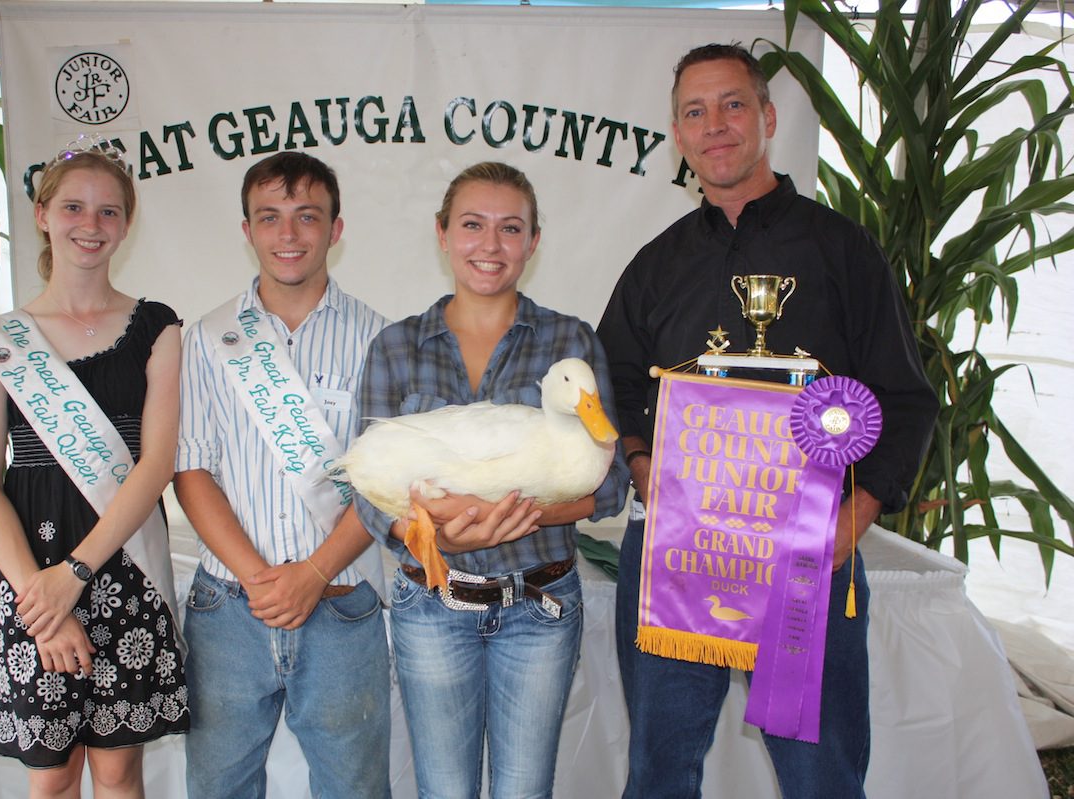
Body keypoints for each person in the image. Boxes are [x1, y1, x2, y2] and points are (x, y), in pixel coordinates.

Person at [597, 44, 939, 799]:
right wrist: (644, 467)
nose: (715, 125)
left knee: (821, 779)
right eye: (695, 112)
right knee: (658, 775)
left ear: (768, 117)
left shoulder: (843, 251)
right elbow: (609, 381)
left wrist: (852, 521)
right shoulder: (656, 264)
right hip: (678, 553)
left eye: (732, 104)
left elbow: (905, 396)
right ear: (679, 135)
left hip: (806, 557)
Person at [354, 161, 629, 799]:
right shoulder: (396, 347)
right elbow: (366, 488)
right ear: (443, 234)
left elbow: (611, 483)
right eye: (473, 225)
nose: (491, 244)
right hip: (432, 605)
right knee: (444, 792)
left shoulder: (570, 342)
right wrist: (433, 536)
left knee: (523, 792)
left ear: (533, 242)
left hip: (539, 605)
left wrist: (516, 514)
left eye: (510, 228)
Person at [0, 137, 189, 798]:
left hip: (121, 564)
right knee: (53, 775)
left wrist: (77, 574)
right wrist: (43, 596)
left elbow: (157, 463)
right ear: (41, 215)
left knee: (118, 772)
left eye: (108, 211)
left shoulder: (157, 327)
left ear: (126, 223)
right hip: (28, 573)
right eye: (73, 207)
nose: (90, 224)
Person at [174, 152, 391, 799]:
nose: (288, 234)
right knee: (218, 789)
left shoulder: (380, 339)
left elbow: (384, 484)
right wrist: (258, 578)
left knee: (355, 791)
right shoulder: (208, 338)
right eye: (269, 217)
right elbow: (191, 468)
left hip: (341, 600)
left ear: (336, 228)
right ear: (247, 230)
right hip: (229, 606)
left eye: (307, 216)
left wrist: (314, 572)